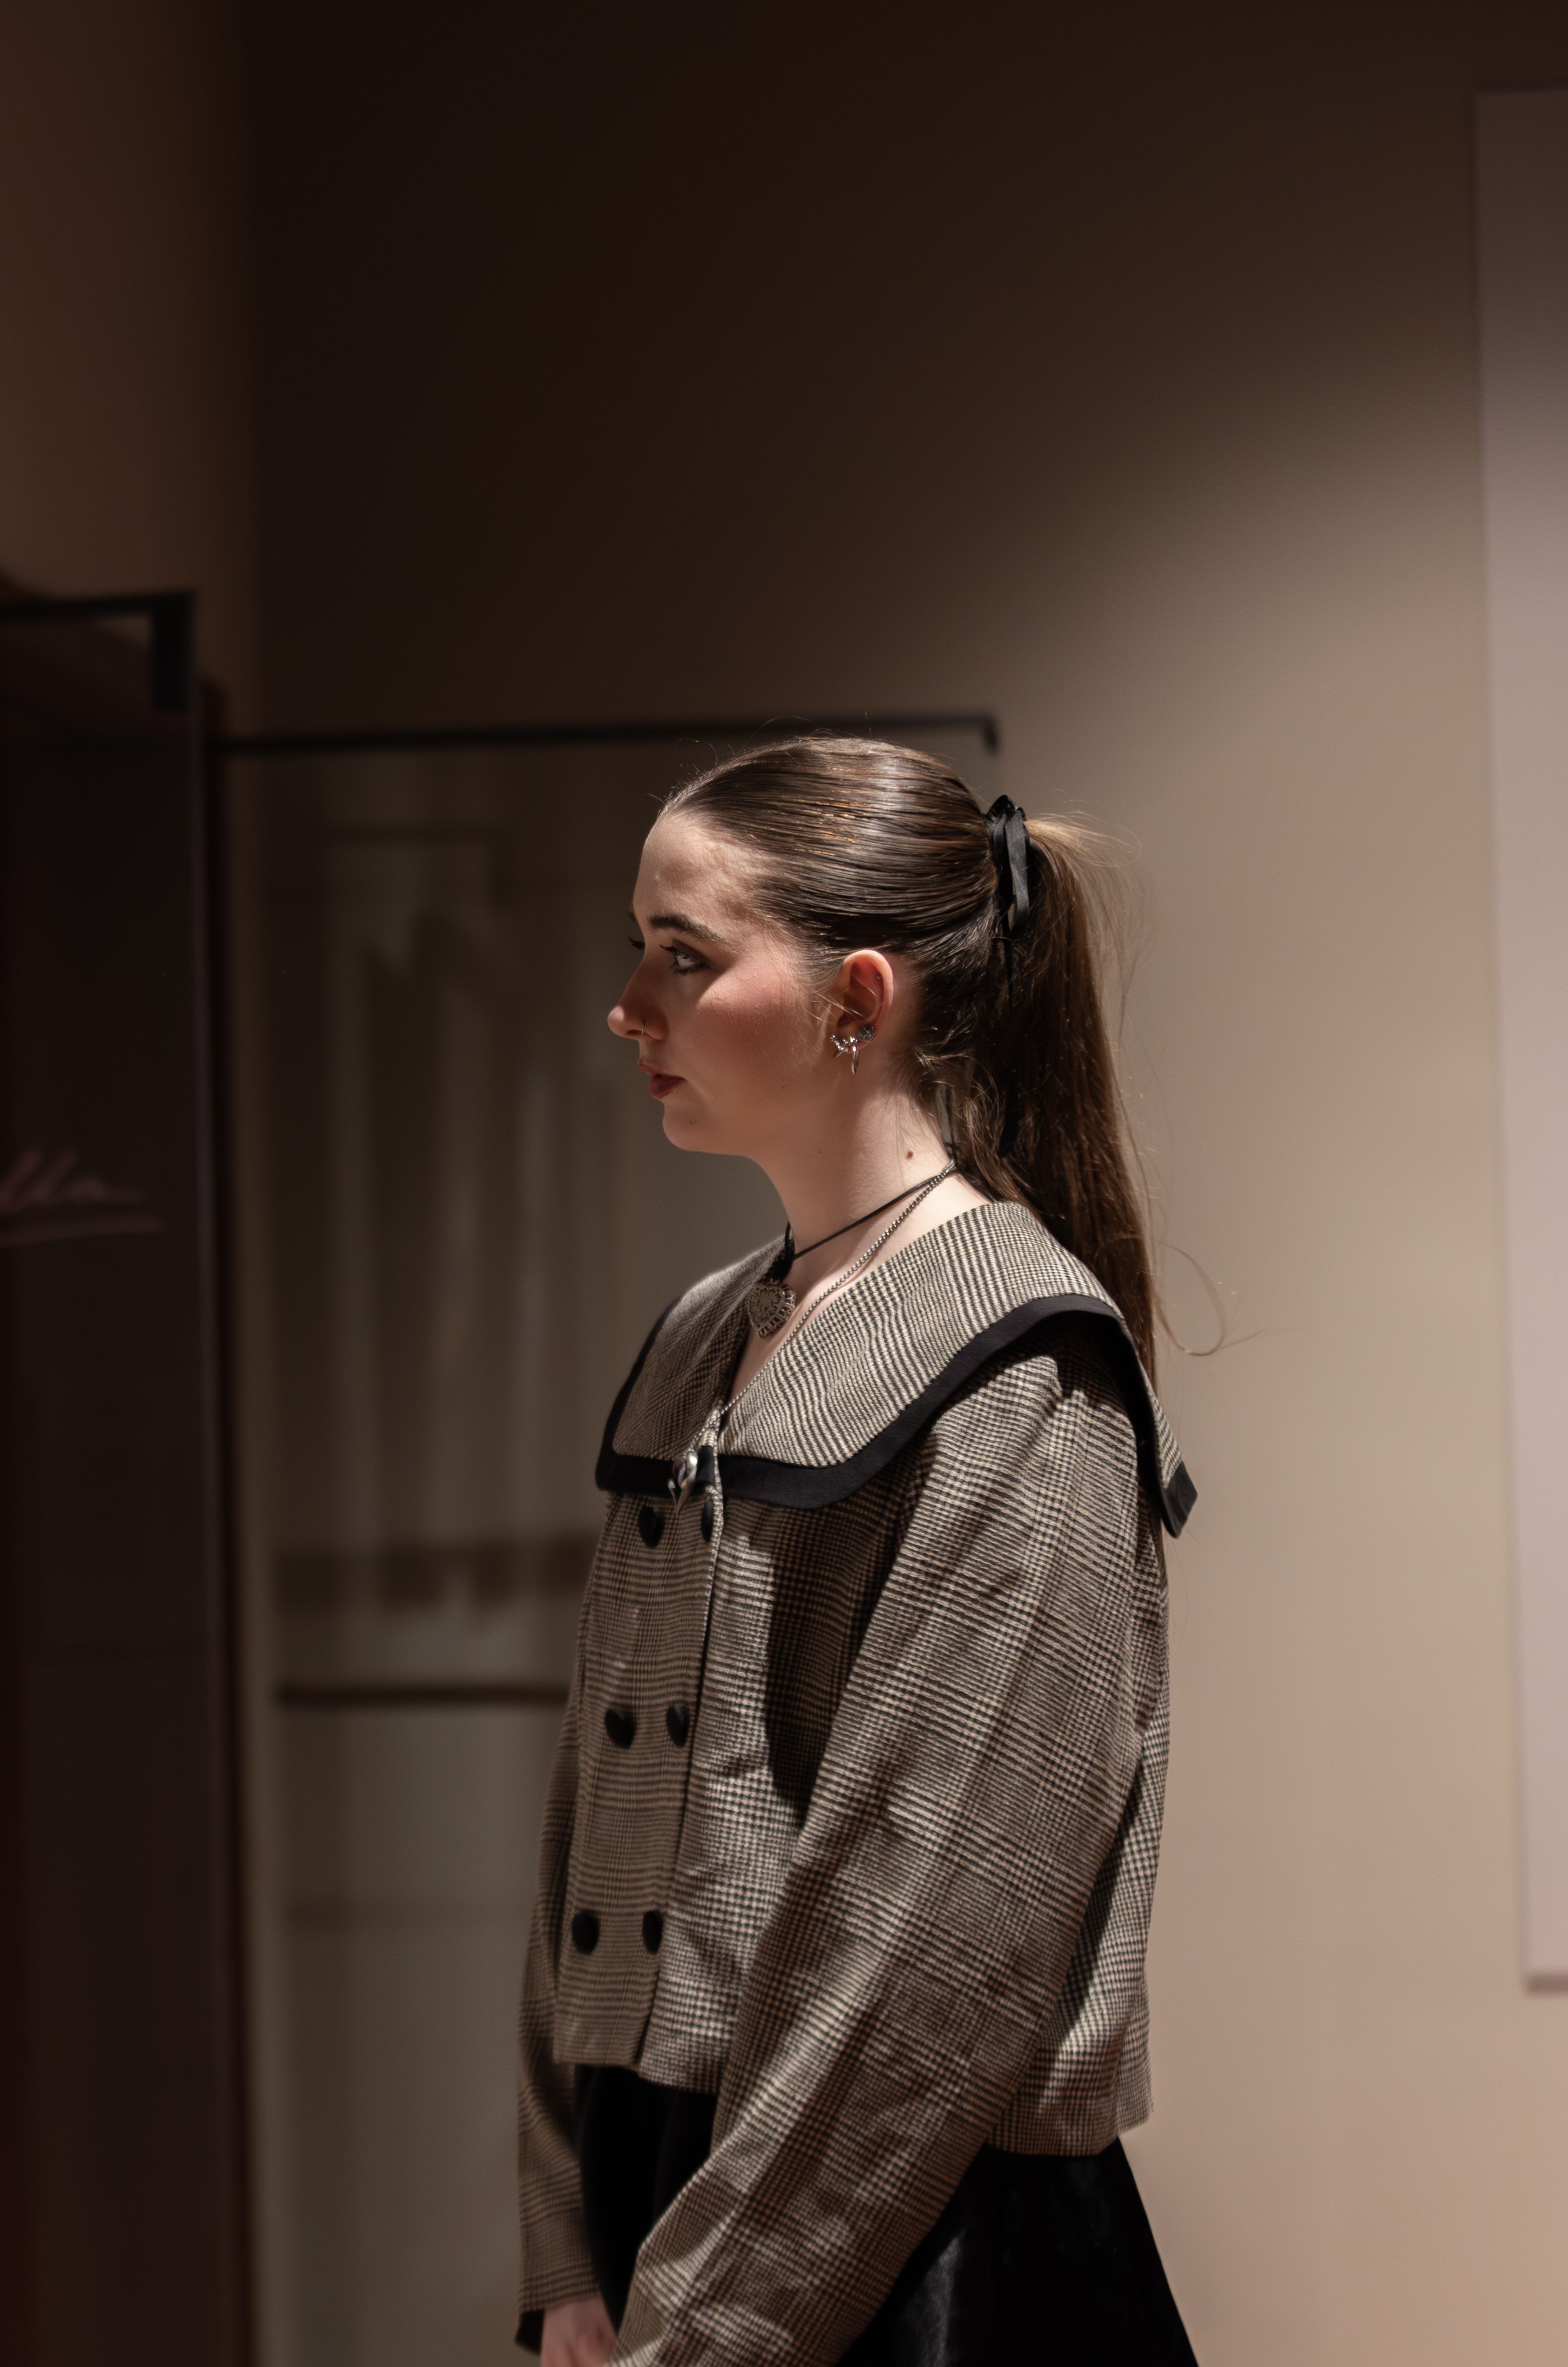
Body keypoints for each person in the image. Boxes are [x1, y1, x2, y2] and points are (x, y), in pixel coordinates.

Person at [521, 742, 1196, 2366]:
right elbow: (585, 1837)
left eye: (682, 954)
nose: (626, 1004)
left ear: (858, 994)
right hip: (654, 2203)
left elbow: (924, 1952)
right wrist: (560, 2234)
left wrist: (712, 2328)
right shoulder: (703, 1330)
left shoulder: (1021, 1367)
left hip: (907, 2251)